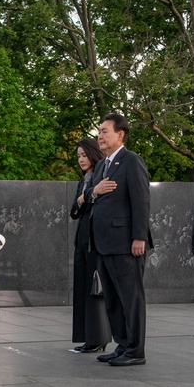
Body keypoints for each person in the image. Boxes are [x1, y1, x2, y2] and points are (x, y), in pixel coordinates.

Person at [89, 113, 152, 366]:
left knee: (131, 298)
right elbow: (92, 200)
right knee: (113, 299)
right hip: (104, 244)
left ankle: (136, 350)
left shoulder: (131, 161)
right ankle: (123, 344)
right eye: (99, 131)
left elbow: (141, 200)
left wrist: (139, 237)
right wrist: (94, 192)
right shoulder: (103, 165)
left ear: (120, 134)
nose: (100, 136)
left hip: (126, 244)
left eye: (105, 131)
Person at [69, 139, 111, 353]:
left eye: (84, 155)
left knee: (96, 291)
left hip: (96, 241)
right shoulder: (84, 181)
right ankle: (87, 337)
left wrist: (86, 197)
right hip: (82, 241)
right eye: (78, 156)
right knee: (83, 289)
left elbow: (99, 204)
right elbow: (74, 211)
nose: (81, 160)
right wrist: (83, 198)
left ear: (93, 154)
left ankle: (98, 338)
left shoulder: (103, 176)